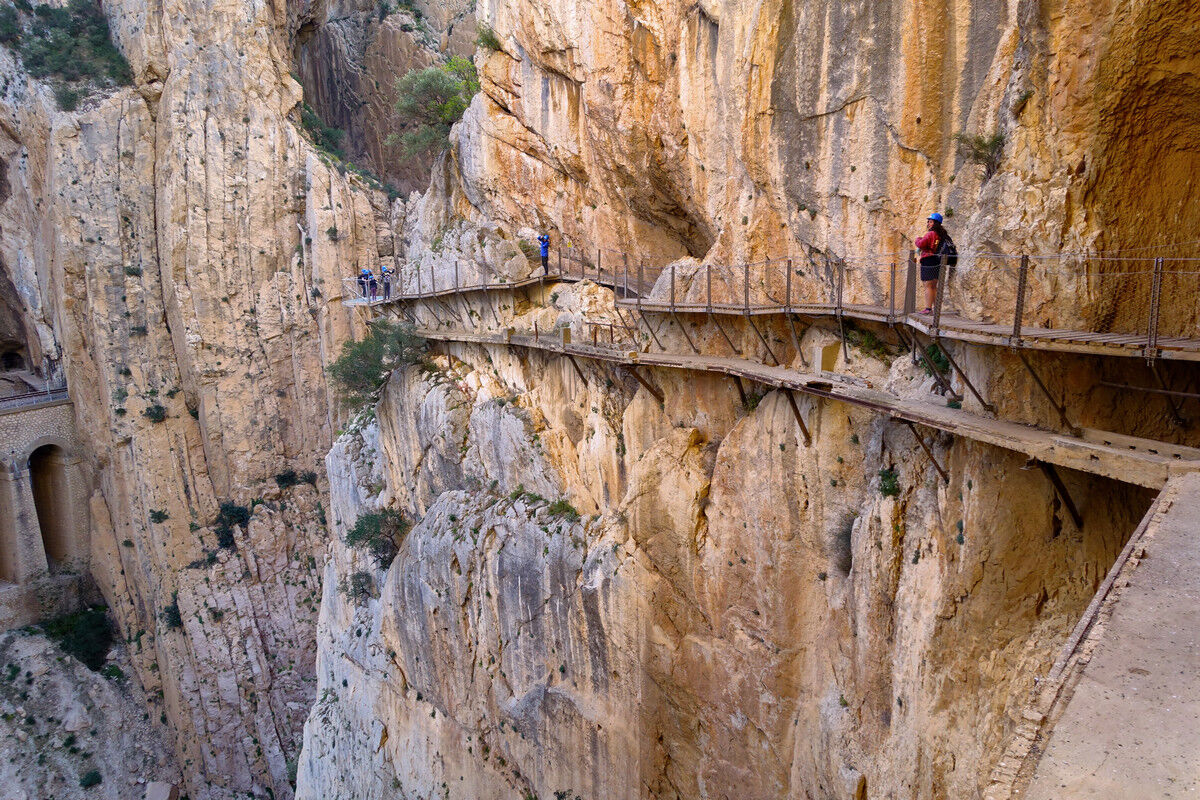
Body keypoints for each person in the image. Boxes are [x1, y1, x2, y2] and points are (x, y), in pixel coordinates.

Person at [914, 212, 950, 314]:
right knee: (934, 286)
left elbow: (921, 244)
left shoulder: (931, 234)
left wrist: (918, 239)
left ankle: (928, 309)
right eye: (928, 221)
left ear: (935, 223)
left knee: (928, 286)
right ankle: (935, 309)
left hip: (928, 260)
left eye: (930, 221)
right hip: (937, 261)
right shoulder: (942, 234)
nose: (928, 223)